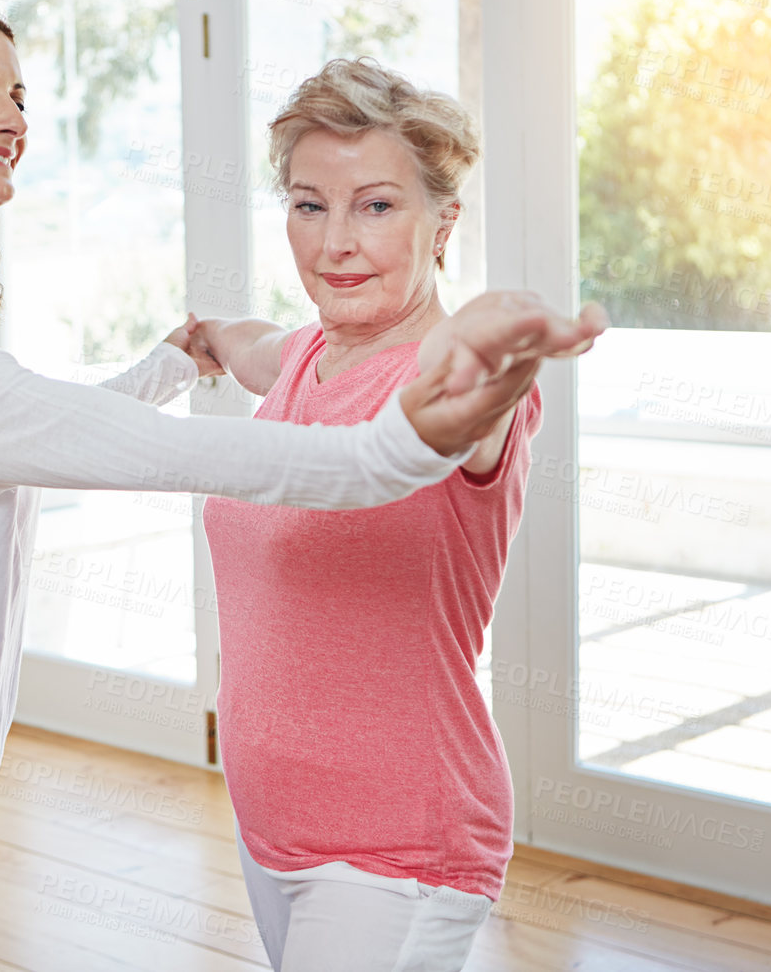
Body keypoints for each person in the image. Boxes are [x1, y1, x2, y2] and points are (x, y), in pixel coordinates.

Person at [0, 0, 602, 971]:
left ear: (444, 222)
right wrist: (373, 441)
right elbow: (134, 441)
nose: (10, 116)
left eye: (17, 92)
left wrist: (186, 355)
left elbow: (96, 405)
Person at [191, 58, 593, 971]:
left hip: (399, 841)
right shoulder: (301, 360)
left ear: (443, 223)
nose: (335, 242)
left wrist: (489, 341)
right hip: (269, 825)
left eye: (376, 206)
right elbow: (252, 344)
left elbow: (468, 384)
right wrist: (204, 336)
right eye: (307, 204)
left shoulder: (448, 388)